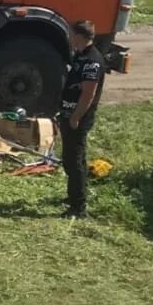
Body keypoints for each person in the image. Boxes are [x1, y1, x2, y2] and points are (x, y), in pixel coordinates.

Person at [59, 20, 105, 219]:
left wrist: (76, 117)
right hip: (68, 113)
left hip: (77, 117)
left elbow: (88, 94)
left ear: (79, 36)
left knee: (74, 160)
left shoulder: (92, 61)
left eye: (71, 34)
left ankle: (78, 207)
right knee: (71, 159)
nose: (69, 38)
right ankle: (75, 195)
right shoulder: (80, 55)